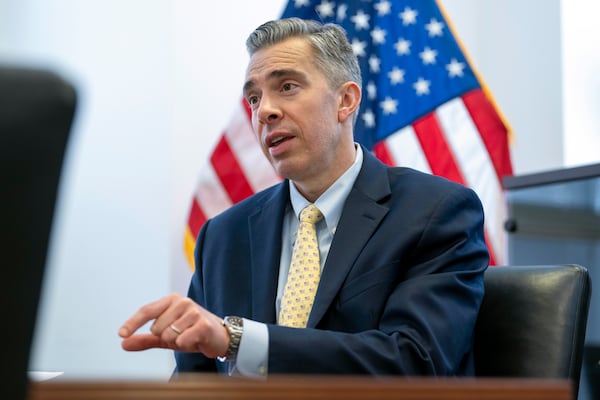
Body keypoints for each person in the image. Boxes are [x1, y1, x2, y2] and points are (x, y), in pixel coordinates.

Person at [119, 17, 489, 377]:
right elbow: (195, 382)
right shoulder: (222, 236)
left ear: (346, 100)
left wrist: (237, 341)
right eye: (253, 98)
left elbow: (414, 361)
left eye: (287, 87)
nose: (265, 111)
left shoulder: (435, 212)